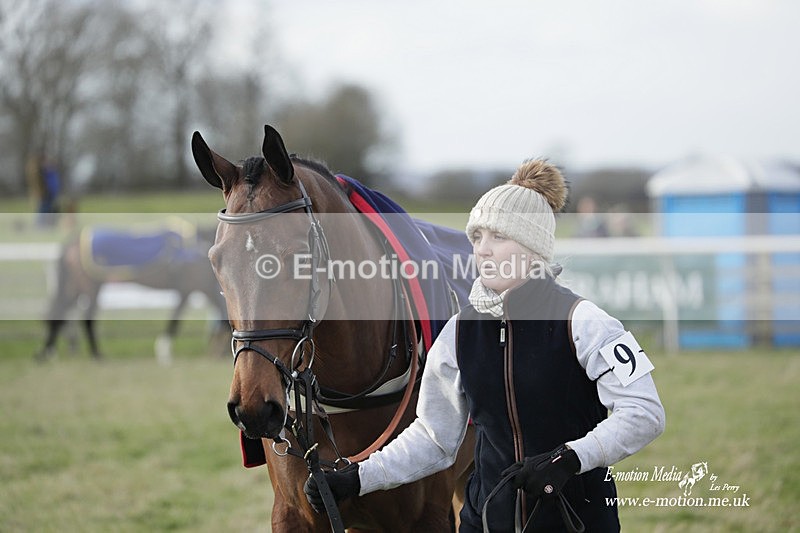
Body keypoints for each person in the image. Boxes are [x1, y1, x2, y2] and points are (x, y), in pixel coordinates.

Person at [304, 160, 666, 531]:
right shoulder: (456, 333)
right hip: (484, 522)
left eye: (498, 237)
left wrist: (570, 458)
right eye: (477, 238)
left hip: (578, 521)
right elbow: (433, 438)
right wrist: (358, 478)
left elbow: (644, 413)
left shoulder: (586, 322)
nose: (483, 250)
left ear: (532, 246)